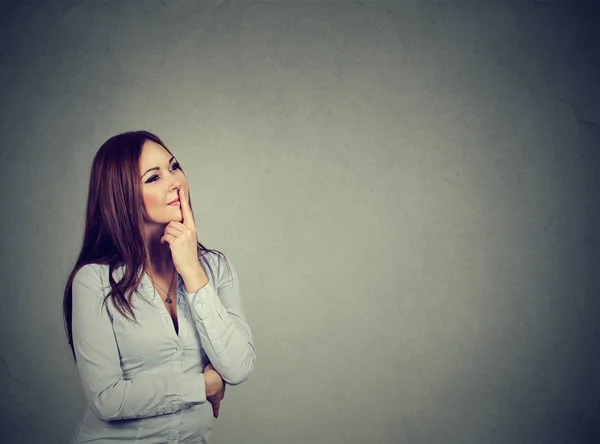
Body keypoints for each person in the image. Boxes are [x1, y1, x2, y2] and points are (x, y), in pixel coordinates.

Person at [62, 131, 256, 443]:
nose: (175, 181)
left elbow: (238, 367)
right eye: (153, 178)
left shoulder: (215, 268)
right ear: (122, 196)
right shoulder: (94, 280)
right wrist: (203, 385)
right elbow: (107, 399)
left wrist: (192, 271)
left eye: (174, 167)